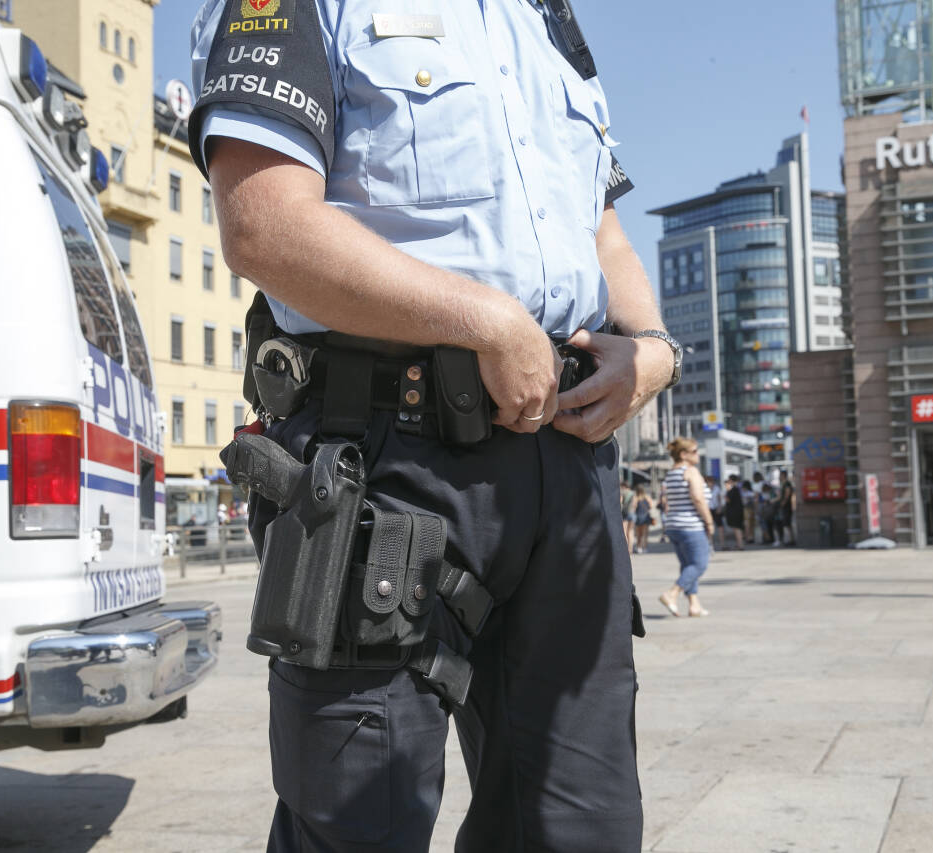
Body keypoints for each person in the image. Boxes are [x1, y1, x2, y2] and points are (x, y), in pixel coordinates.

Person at [190, 2, 675, 849]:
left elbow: (602, 234)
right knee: (357, 818)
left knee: (581, 824)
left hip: (567, 462)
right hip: (384, 461)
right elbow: (264, 222)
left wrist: (655, 347)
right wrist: (480, 320)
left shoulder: (544, 19)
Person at [658, 438, 714, 617]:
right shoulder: (691, 471)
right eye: (695, 451)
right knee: (699, 564)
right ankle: (672, 593)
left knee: (688, 565)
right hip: (691, 525)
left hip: (673, 525)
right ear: (683, 454)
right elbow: (698, 499)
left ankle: (694, 605)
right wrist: (709, 522)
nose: (698, 454)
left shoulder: (672, 473)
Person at [724, 475, 745, 550]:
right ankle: (739, 544)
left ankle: (740, 545)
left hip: (735, 512)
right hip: (738, 511)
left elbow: (728, 500)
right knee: (737, 528)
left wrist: (726, 494)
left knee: (737, 528)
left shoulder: (733, 490)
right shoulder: (737, 489)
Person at [774, 472, 796, 547]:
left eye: (780, 475)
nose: (779, 477)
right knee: (787, 523)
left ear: (783, 476)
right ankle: (790, 539)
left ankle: (790, 540)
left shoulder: (787, 484)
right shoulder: (783, 484)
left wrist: (784, 502)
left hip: (787, 506)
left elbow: (787, 493)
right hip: (785, 506)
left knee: (787, 523)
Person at [706, 476, 726, 550]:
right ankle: (710, 544)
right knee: (709, 527)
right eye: (708, 482)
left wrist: (720, 508)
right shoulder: (704, 489)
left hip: (716, 509)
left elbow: (719, 499)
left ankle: (722, 544)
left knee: (720, 527)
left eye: (711, 481)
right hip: (708, 509)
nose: (710, 483)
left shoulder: (717, 488)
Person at [632, 485, 653, 554]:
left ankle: (639, 547)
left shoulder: (636, 497)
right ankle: (645, 548)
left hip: (638, 516)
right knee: (645, 534)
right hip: (646, 516)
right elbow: (651, 506)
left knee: (639, 534)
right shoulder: (647, 497)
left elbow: (634, 507)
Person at [620, 482, 637, 553]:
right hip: (632, 513)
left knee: (624, 532)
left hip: (624, 513)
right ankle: (631, 549)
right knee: (631, 532)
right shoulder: (633, 493)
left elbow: (620, 502)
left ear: (624, 486)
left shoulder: (622, 492)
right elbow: (635, 504)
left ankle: (625, 549)